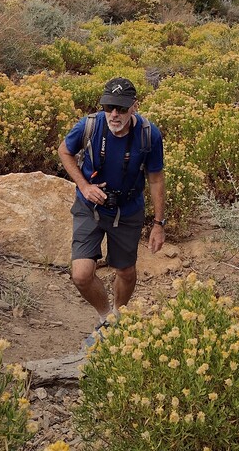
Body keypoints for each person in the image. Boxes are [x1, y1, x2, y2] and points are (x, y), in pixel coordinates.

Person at [58, 76, 166, 339]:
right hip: (89, 208)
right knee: (81, 275)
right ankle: (106, 317)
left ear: (134, 107)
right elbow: (64, 151)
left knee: (126, 272)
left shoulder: (149, 134)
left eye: (121, 108)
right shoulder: (90, 126)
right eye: (109, 107)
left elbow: (156, 179)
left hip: (127, 210)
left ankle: (119, 315)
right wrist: (84, 186)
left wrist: (158, 224)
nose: (114, 114)